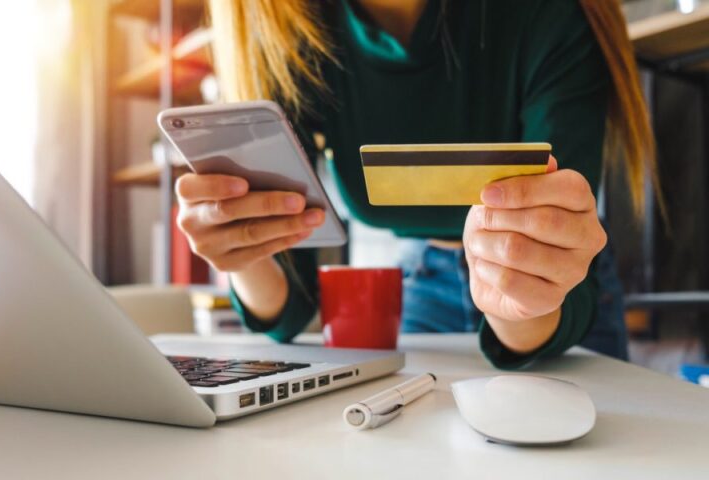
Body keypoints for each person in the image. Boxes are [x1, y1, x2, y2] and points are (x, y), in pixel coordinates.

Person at [175, 0, 658, 369]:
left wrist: (520, 298)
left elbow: (557, 256)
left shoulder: (553, 13)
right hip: (422, 284)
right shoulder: (290, 26)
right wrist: (245, 251)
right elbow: (290, 310)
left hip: (564, 287)